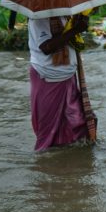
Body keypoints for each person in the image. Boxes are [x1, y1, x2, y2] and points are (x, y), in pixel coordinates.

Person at [28, 13, 91, 151]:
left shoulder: (65, 15)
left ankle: (67, 164)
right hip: (48, 77)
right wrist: (75, 30)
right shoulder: (39, 17)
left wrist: (79, 23)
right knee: (48, 130)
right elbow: (46, 47)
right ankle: (46, 164)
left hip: (68, 76)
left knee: (77, 123)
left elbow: (70, 40)